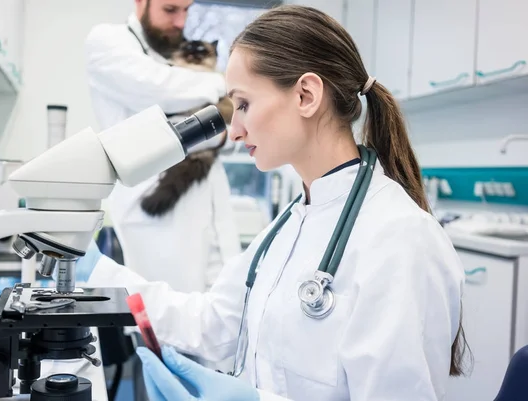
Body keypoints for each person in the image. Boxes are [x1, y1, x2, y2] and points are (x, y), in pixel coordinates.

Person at [84, 4, 471, 400]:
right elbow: (213, 324)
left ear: (306, 95)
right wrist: (95, 273)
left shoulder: (400, 239)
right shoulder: (291, 223)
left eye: (244, 105)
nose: (233, 131)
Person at [84, 0, 241, 293]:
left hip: (207, 194)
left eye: (186, 10)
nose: (181, 22)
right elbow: (159, 89)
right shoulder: (108, 42)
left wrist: (221, 133)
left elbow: (224, 130)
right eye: (170, 10)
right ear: (141, 3)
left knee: (221, 305)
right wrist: (228, 86)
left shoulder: (174, 53)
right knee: (170, 316)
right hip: (157, 211)